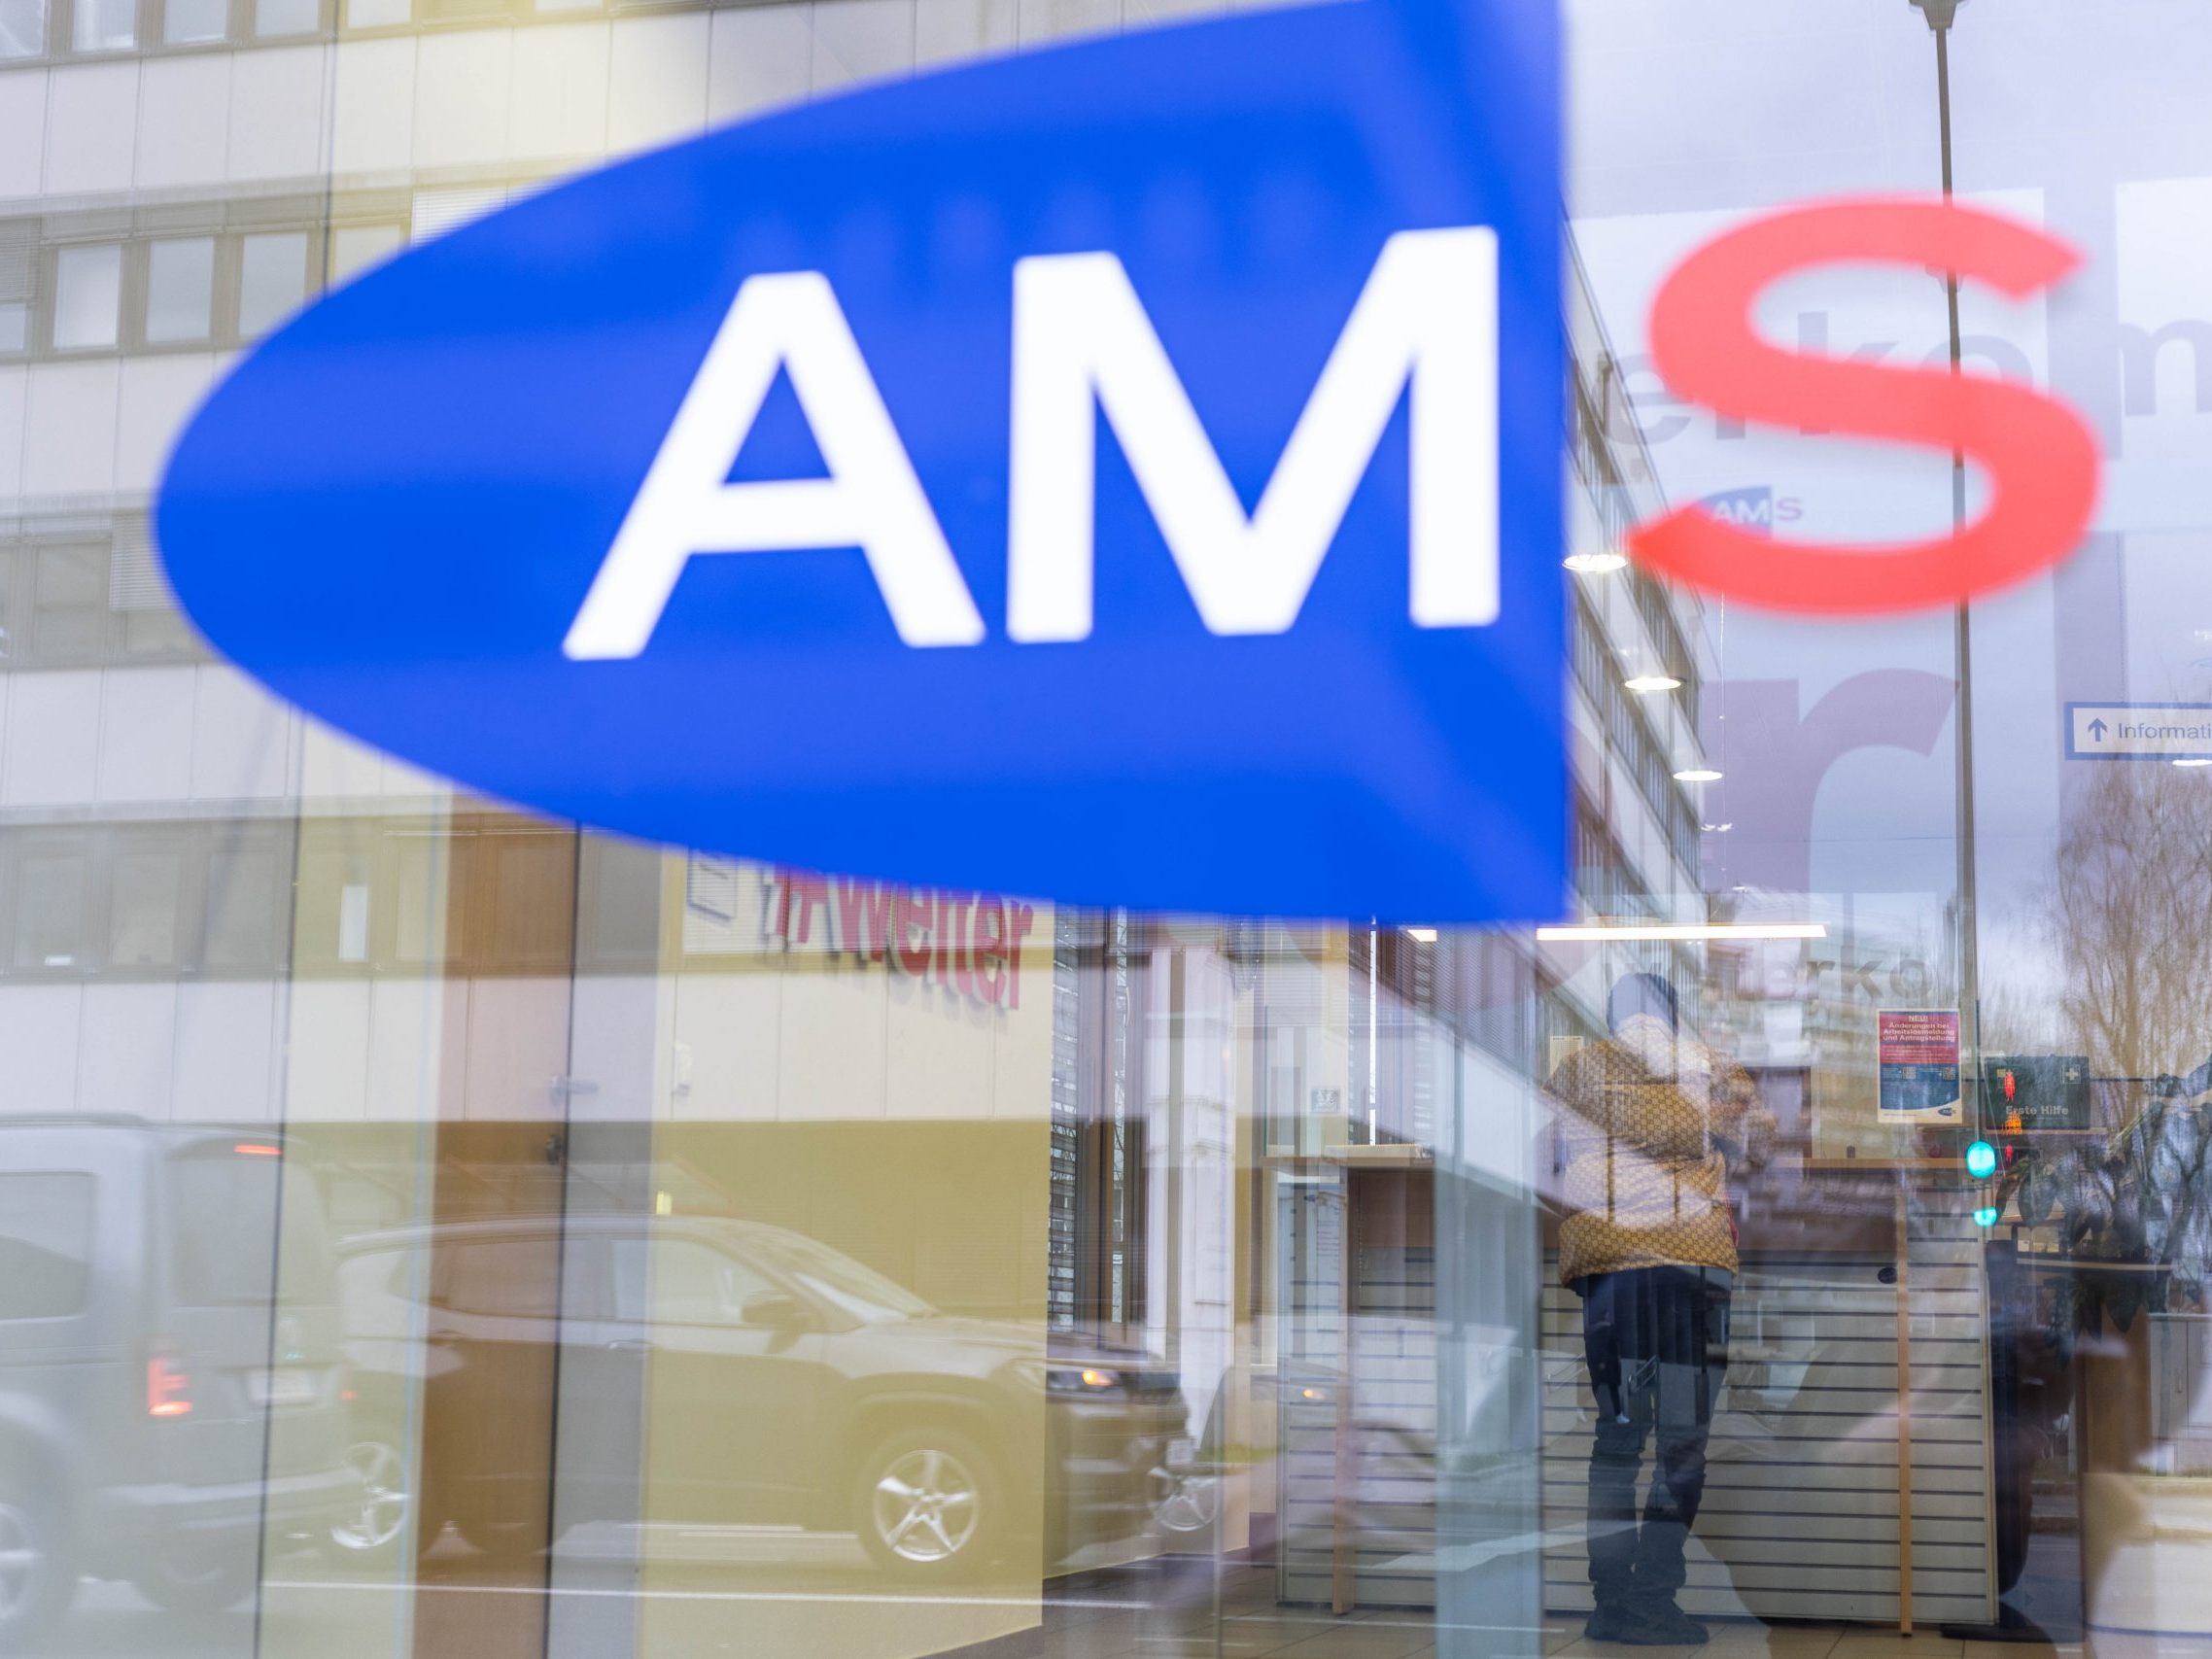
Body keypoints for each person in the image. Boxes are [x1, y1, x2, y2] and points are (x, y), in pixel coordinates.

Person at [1543, 972, 1772, 1646]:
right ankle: (1654, 1595)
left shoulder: (1577, 1070)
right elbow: (1763, 1145)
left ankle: (1611, 1602)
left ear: (1611, 1017)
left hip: (1610, 1269)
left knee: (1617, 1437)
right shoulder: (1712, 1068)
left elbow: (1538, 1155)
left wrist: (1587, 1212)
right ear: (1675, 1015)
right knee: (1683, 1441)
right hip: (1691, 1266)